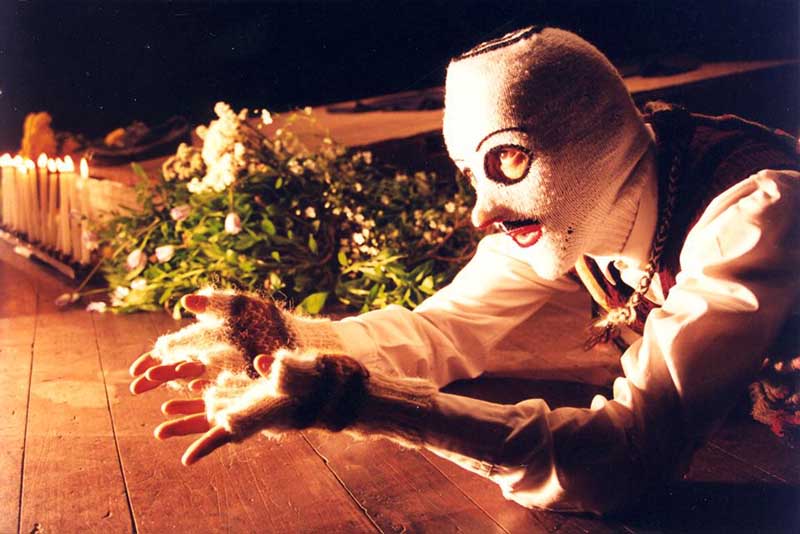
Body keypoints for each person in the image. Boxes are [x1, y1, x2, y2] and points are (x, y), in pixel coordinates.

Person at [128, 27, 800, 514]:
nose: (482, 213)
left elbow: (627, 460)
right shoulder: (590, 204)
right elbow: (443, 330)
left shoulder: (752, 213)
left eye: (508, 160)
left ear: (593, 140)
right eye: (469, 172)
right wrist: (290, 343)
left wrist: (368, 405)